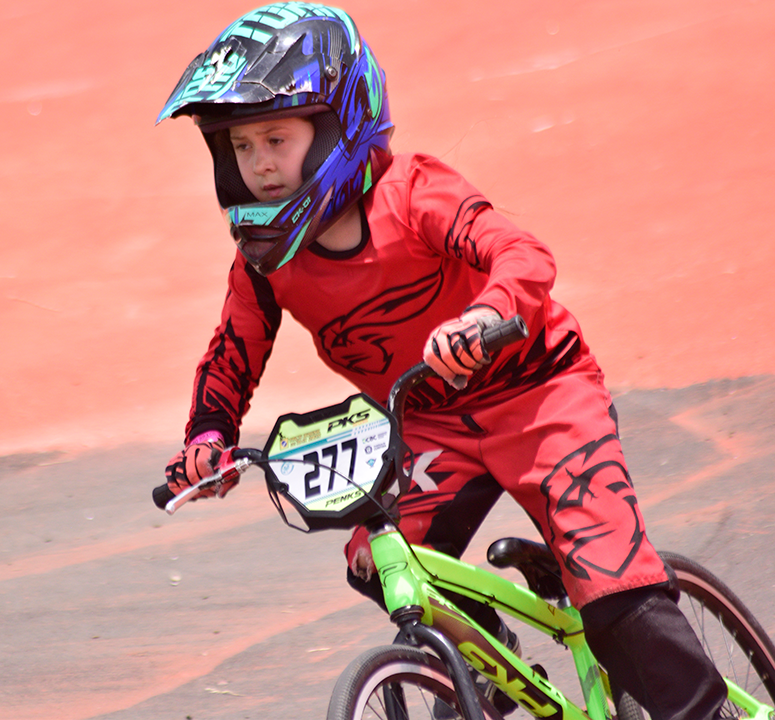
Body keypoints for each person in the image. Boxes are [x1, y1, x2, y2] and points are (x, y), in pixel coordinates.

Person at [156, 3, 726, 718]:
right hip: (428, 426)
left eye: (277, 137)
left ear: (340, 125)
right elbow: (233, 350)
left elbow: (521, 253)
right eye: (240, 146)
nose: (260, 163)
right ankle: (488, 658)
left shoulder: (414, 193)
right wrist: (207, 440)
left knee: (612, 585)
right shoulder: (267, 262)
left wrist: (486, 315)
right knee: (379, 561)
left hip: (540, 397)